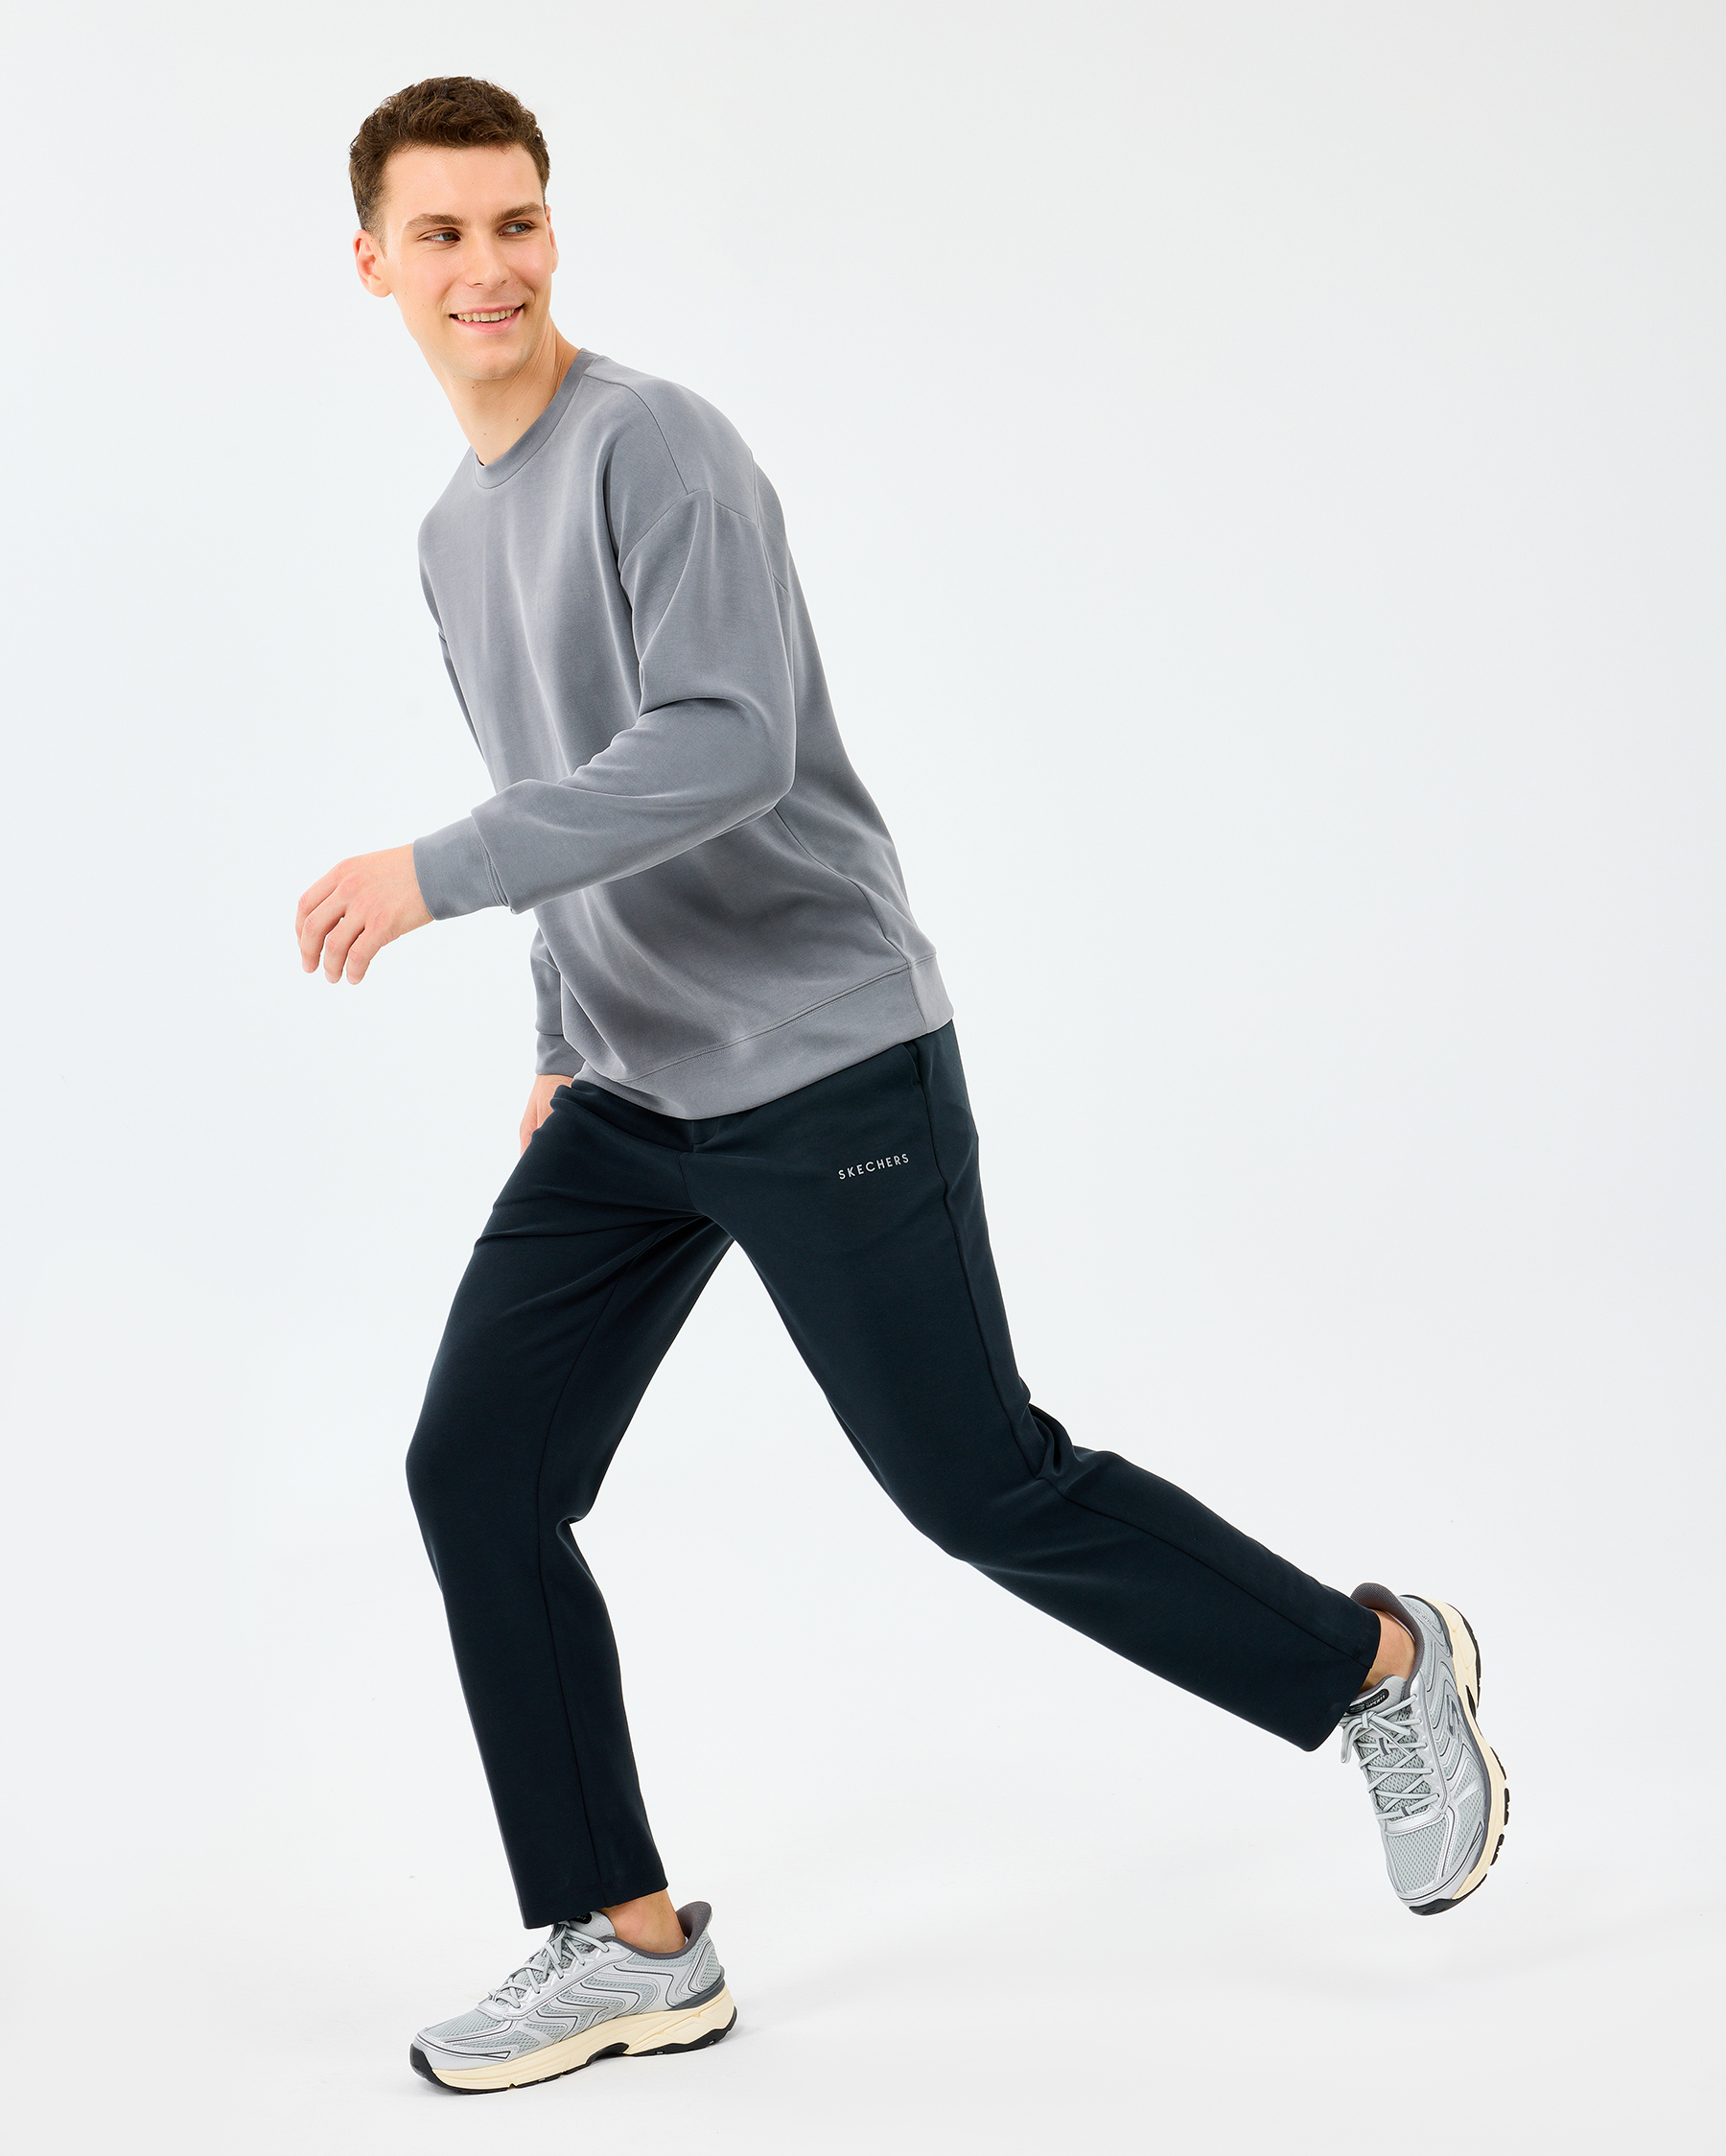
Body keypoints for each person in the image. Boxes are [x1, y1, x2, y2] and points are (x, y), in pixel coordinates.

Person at [297, 75, 1509, 2097]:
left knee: (979, 1485)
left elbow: (725, 744)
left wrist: (435, 874)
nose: (486, 267)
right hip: (630, 1097)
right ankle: (623, 1938)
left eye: (516, 222)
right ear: (374, 264)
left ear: (552, 233)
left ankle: (1379, 1667)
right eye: (442, 234)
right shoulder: (450, 532)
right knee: (475, 1471)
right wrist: (558, 1037)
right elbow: (559, 782)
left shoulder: (653, 445)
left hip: (822, 1057)